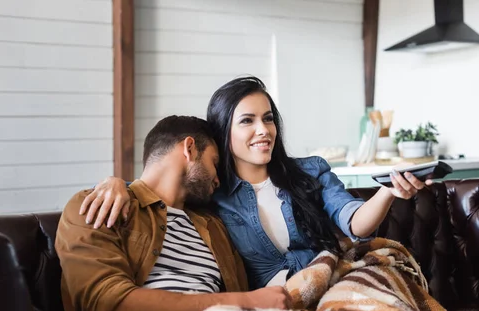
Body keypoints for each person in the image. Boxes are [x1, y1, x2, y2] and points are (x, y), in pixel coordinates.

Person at [84, 76, 431, 290]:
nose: (263, 130)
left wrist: (388, 190)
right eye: (247, 121)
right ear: (225, 133)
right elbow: (156, 189)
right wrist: (116, 183)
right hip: (275, 308)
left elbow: (354, 221)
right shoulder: (212, 194)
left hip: (334, 284)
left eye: (267, 119)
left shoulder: (310, 171)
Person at [56, 115, 290, 311]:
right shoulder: (98, 206)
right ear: (189, 149)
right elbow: (111, 308)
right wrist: (246, 303)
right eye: (214, 162)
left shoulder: (214, 225)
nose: (217, 179)